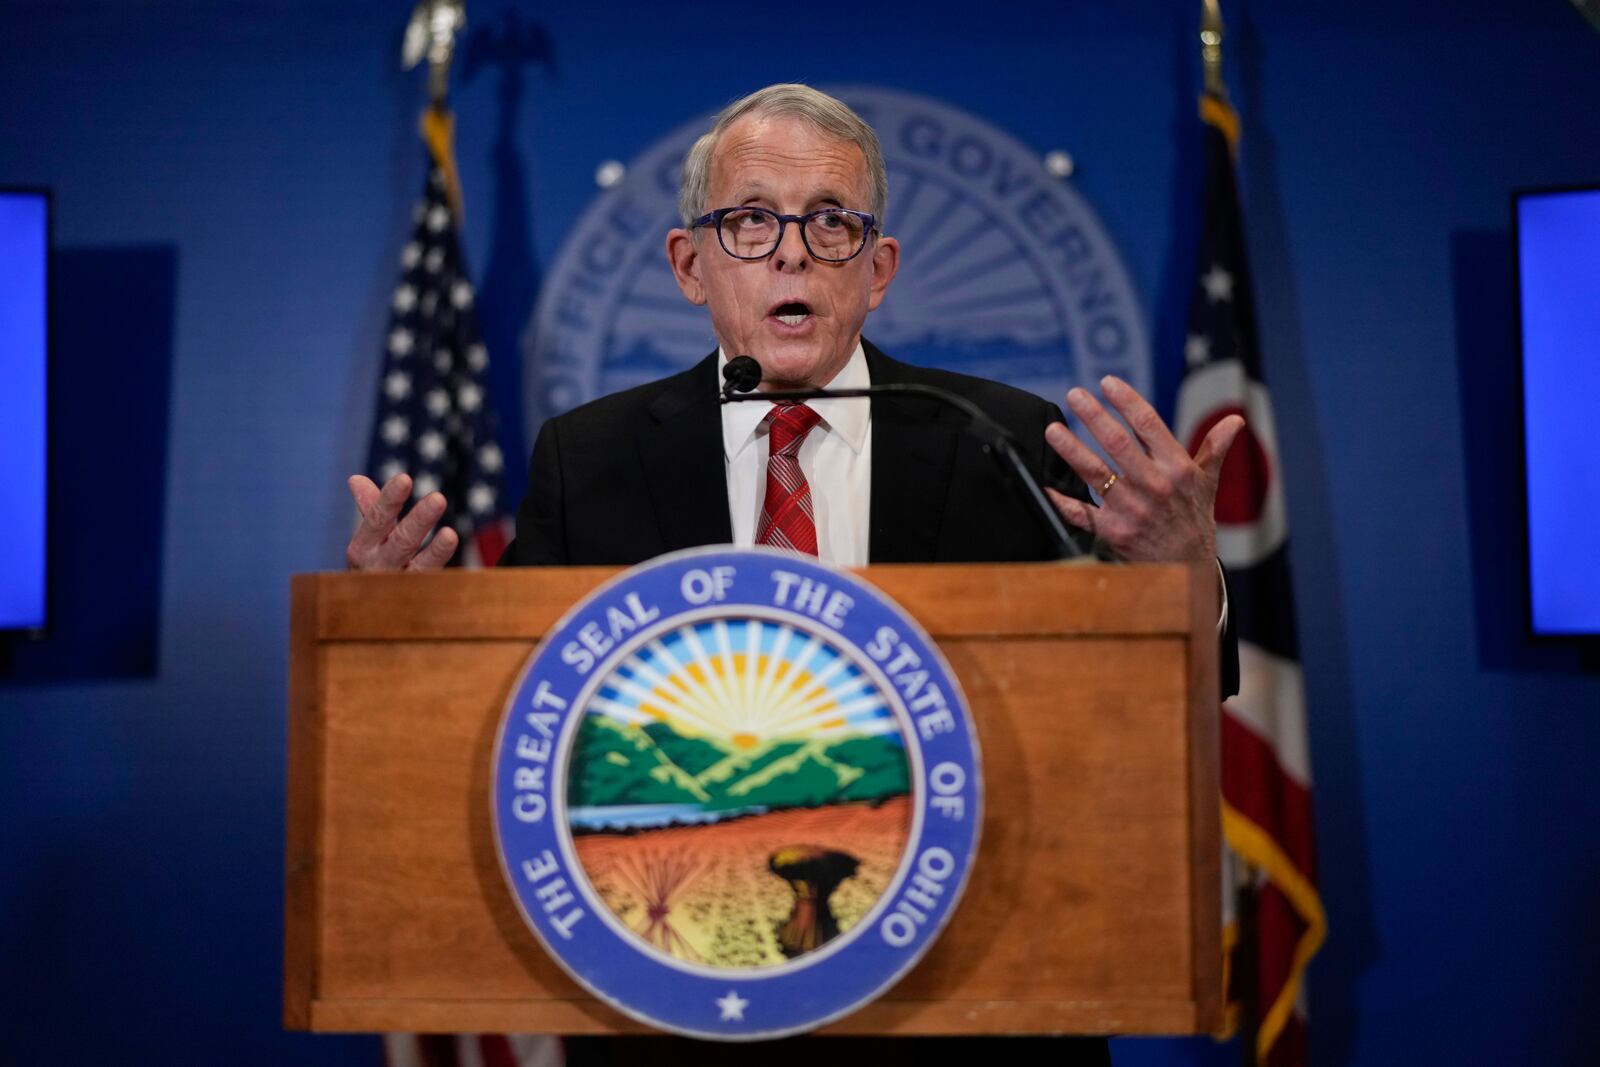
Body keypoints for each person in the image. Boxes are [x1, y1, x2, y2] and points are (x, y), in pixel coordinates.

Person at [345, 84, 1243, 1065]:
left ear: (877, 267)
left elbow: (1130, 720)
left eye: (829, 222)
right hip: (681, 1006)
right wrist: (402, 649)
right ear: (690, 264)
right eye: (749, 220)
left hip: (971, 1003)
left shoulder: (1003, 440)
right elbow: (521, 723)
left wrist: (1181, 582)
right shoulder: (590, 458)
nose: (789, 250)